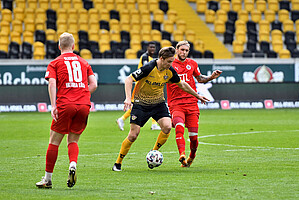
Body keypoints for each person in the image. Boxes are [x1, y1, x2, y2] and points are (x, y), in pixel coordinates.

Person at [112, 46, 210, 171]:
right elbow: (129, 79)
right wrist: (127, 98)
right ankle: (118, 163)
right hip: (140, 103)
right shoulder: (149, 67)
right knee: (133, 135)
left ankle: (153, 152)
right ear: (162, 59)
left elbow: (182, 84)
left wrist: (197, 96)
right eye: (169, 61)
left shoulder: (170, 70)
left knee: (167, 126)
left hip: (158, 103)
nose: (171, 64)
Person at [36, 32, 98, 188]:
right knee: (73, 140)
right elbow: (94, 84)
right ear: (73, 46)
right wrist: (81, 94)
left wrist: (53, 106)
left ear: (59, 46)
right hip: (83, 105)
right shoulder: (84, 62)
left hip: (65, 104)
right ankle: (72, 164)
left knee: (54, 140)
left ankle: (48, 179)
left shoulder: (55, 63)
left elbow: (51, 84)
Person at [166, 41, 222, 167]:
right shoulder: (169, 65)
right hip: (176, 103)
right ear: (176, 50)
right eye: (182, 50)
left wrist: (211, 77)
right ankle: (182, 154)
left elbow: (200, 79)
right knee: (179, 126)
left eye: (186, 50)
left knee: (193, 137)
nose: (184, 52)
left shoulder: (192, 64)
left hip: (191, 103)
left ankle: (192, 156)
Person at [116, 41, 161, 131]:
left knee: (153, 102)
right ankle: (122, 119)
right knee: (140, 104)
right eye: (150, 47)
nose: (152, 49)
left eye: (153, 47)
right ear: (147, 48)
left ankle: (154, 124)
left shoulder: (150, 57)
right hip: (142, 85)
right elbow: (147, 70)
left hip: (147, 85)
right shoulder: (145, 57)